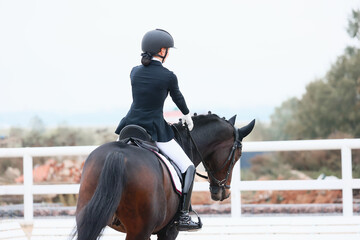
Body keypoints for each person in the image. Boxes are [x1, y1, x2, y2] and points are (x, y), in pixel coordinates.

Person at [115, 29, 201, 231]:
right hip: (154, 128)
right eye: (168, 49)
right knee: (188, 167)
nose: (168, 53)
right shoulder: (168, 76)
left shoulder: (134, 71)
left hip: (129, 126)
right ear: (162, 50)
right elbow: (177, 98)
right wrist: (187, 115)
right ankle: (183, 215)